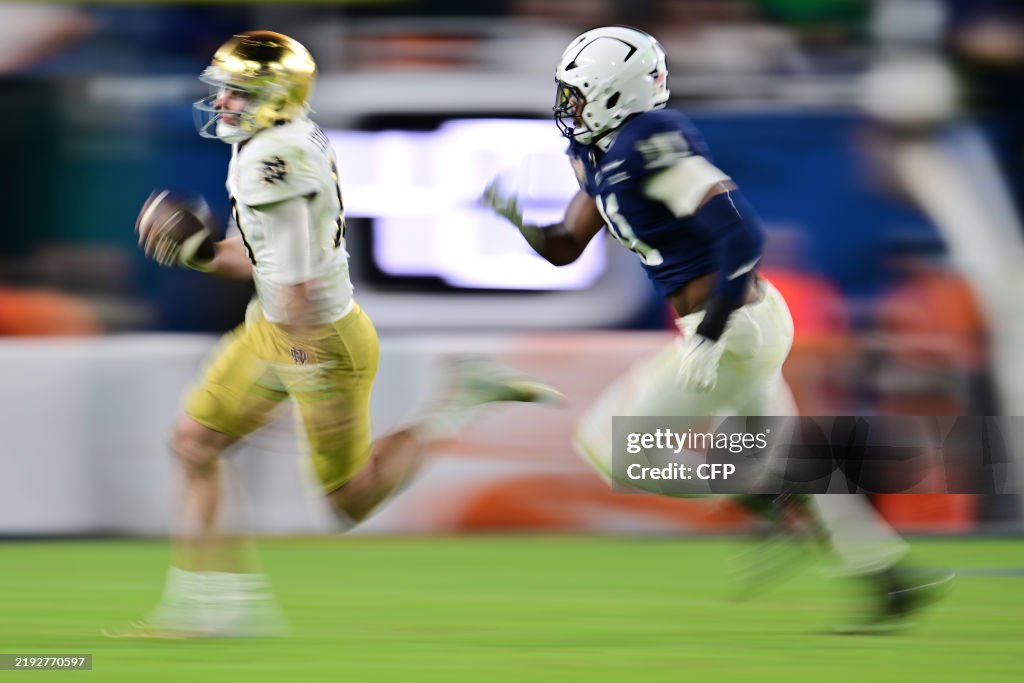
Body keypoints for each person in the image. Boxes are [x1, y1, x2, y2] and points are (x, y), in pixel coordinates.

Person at [483, 25, 951, 633]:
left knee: (611, 448)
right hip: (740, 322)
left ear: (615, 95)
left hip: (729, 325)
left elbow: (741, 234)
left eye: (577, 95)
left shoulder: (648, 144)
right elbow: (566, 246)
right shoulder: (598, 156)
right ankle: (889, 579)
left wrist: (711, 332)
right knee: (787, 457)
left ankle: (764, 491)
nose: (567, 108)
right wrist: (520, 220)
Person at [119, 30, 562, 638]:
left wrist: (302, 363)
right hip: (279, 324)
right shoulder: (277, 140)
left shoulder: (270, 161)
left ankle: (459, 402)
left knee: (349, 501)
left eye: (236, 92)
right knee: (194, 443)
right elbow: (264, 258)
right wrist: (198, 256)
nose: (221, 103)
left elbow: (296, 284)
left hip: (317, 337)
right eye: (222, 91)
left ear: (273, 95)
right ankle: (212, 605)